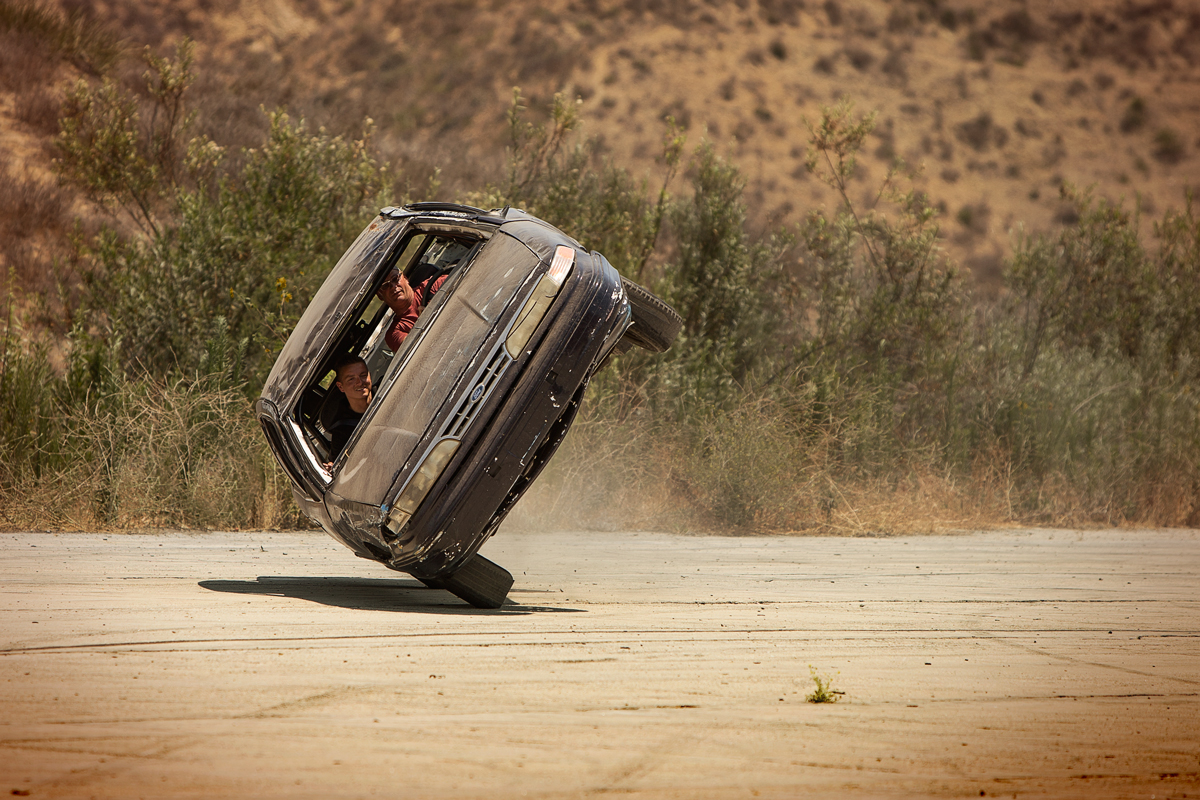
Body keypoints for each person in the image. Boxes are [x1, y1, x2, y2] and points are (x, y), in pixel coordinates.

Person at [376, 266, 449, 351]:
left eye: (395, 279)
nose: (393, 286)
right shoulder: (395, 333)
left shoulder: (433, 286)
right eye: (385, 286)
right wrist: (423, 323)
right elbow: (418, 350)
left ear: (405, 278)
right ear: (380, 295)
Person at [323, 354, 373, 468]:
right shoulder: (342, 432)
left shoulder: (387, 392)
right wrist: (332, 466)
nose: (360, 382)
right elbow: (337, 464)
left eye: (363, 375)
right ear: (340, 387)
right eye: (351, 379)